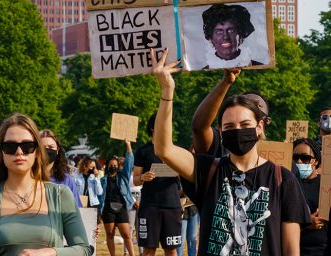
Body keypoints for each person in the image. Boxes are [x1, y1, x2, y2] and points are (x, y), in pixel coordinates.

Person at [150, 48, 311, 255]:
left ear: (259, 127)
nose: (237, 130)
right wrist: (167, 90)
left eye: (245, 124)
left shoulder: (283, 179)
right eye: (229, 127)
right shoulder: (208, 170)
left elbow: (291, 249)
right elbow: (163, 148)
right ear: (221, 131)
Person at [0, 113, 92, 255]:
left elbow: (83, 249)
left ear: (38, 151)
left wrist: (51, 252)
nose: (19, 152)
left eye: (27, 146)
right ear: (1, 151)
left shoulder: (60, 195)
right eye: (10, 146)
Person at [132, 113, 181, 256]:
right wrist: (143, 177)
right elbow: (135, 179)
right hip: (150, 206)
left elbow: (187, 175)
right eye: (162, 125)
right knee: (148, 250)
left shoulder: (176, 150)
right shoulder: (143, 151)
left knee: (171, 250)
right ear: (153, 128)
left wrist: (180, 173)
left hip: (172, 205)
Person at [99, 140, 135, 256]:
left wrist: (128, 145)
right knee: (109, 234)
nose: (113, 167)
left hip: (122, 208)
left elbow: (129, 162)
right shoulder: (102, 180)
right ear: (107, 166)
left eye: (115, 165)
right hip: (107, 209)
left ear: (118, 166)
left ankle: (132, 254)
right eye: (111, 165)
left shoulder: (123, 177)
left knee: (127, 234)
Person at [292, 138, 327, 255]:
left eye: (305, 158)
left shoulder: (326, 186)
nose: (299, 162)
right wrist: (306, 224)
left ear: (316, 161)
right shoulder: (286, 185)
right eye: (295, 158)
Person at [201, 4, 263, 69]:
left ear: (241, 36)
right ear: (212, 39)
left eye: (231, 31)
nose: (225, 37)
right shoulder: (204, 72)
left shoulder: (259, 67)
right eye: (219, 32)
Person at [39, 129, 83, 207]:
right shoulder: (27, 178)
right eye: (42, 147)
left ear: (57, 150)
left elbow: (77, 210)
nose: (46, 150)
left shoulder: (66, 180)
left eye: (50, 147)